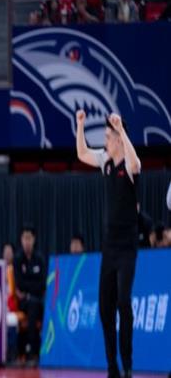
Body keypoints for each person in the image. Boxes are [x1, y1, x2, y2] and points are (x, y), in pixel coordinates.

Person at [76, 110, 141, 378]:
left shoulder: (129, 166)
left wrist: (121, 130)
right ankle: (112, 366)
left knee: (123, 302)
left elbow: (136, 163)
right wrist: (80, 125)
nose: (104, 142)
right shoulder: (105, 162)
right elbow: (82, 153)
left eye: (107, 137)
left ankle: (127, 364)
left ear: (117, 140)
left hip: (127, 247)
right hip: (109, 247)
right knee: (105, 308)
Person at [13, 226, 46, 366]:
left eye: (29, 238)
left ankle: (34, 352)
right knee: (32, 305)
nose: (27, 241)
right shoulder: (17, 259)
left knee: (36, 304)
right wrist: (32, 284)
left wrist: (29, 287)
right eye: (24, 238)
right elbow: (19, 283)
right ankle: (31, 353)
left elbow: (42, 283)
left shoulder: (40, 258)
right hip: (23, 301)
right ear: (21, 240)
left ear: (34, 239)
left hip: (39, 299)